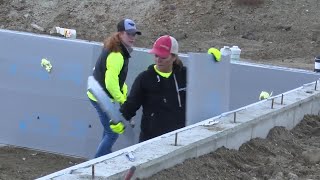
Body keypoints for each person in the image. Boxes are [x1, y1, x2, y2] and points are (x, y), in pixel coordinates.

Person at [87, 18, 141, 158]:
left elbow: (117, 79)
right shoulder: (117, 55)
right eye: (129, 34)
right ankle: (96, 162)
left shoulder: (116, 48)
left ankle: (104, 156)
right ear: (120, 34)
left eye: (134, 34)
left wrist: (123, 94)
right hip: (100, 96)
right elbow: (111, 83)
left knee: (108, 130)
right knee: (112, 133)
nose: (132, 37)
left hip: (98, 93)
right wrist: (122, 100)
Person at [120, 35, 187, 142]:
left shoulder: (185, 75)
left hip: (178, 139)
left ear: (174, 57)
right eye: (156, 55)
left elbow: (204, 84)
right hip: (150, 140)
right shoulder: (145, 78)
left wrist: (212, 61)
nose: (158, 60)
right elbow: (131, 105)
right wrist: (120, 119)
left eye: (163, 57)